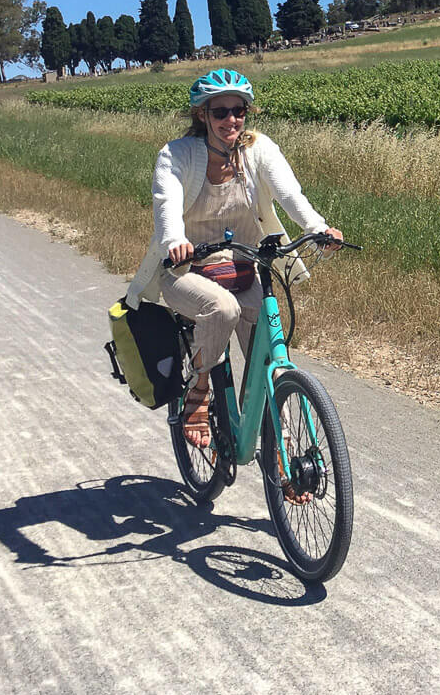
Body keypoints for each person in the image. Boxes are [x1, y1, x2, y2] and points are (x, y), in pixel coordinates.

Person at [123, 68, 341, 448]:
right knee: (222, 311)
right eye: (220, 112)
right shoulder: (176, 155)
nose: (231, 120)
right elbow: (166, 204)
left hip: (244, 266)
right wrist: (175, 239)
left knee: (272, 360)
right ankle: (199, 386)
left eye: (238, 110)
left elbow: (290, 194)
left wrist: (318, 228)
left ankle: (282, 451)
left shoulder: (258, 149)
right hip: (187, 269)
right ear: (202, 115)